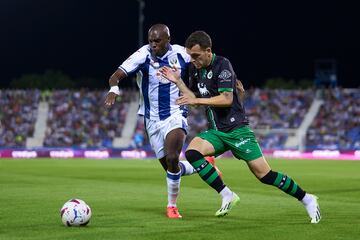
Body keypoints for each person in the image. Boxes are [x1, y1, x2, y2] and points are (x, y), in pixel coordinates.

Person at [159, 30, 321, 223]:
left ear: (208, 51)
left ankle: (307, 199)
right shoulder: (195, 70)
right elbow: (193, 100)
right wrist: (178, 81)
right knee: (192, 153)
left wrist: (201, 100)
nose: (193, 60)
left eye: (196, 56)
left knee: (264, 175)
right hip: (217, 132)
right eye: (190, 56)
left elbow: (227, 99)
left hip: (237, 130)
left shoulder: (223, 65)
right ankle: (226, 194)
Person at [104, 24, 222, 219]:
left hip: (176, 112)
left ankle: (172, 206)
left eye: (157, 41)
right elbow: (115, 76)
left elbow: (204, 61)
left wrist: (224, 79)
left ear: (168, 39)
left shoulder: (181, 54)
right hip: (151, 119)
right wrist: (113, 89)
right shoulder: (142, 55)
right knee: (171, 168)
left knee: (173, 157)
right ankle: (204, 165)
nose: (153, 45)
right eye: (151, 41)